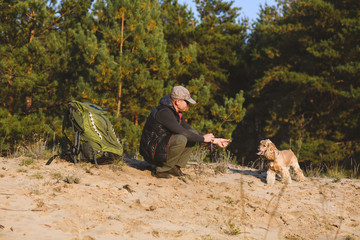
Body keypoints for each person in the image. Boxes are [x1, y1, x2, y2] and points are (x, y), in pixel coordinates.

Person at [140, 86, 231, 178]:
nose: (188, 105)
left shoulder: (175, 111)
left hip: (159, 147)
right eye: (186, 102)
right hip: (150, 152)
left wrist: (214, 140)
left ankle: (174, 167)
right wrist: (203, 139)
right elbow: (182, 132)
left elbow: (188, 130)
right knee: (182, 138)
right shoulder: (165, 112)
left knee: (191, 133)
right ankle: (160, 170)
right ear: (178, 101)